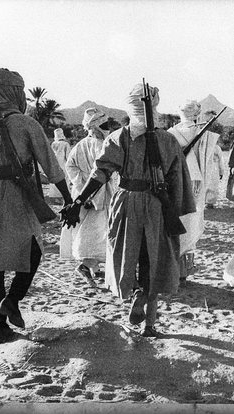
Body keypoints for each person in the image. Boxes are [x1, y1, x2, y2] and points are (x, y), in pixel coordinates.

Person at [61, 84, 195, 337]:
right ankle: (149, 322)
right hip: (156, 204)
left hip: (124, 202)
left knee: (126, 253)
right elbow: (177, 179)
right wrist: (172, 209)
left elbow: (99, 173)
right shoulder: (168, 140)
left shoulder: (117, 137)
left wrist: (78, 202)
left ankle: (134, 291)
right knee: (152, 257)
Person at [0, 68, 72, 344]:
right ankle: (12, 300)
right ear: (16, 93)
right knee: (33, 251)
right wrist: (68, 199)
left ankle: (0, 327)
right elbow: (51, 166)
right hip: (18, 194)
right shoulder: (27, 124)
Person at [60, 108, 116, 287]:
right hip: (98, 193)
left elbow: (71, 168)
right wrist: (87, 189)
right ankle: (86, 265)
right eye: (104, 124)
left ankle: (94, 268)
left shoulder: (80, 145)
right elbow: (98, 173)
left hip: (86, 193)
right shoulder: (102, 145)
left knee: (92, 231)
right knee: (98, 231)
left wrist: (81, 187)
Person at [168, 101, 219, 286]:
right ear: (197, 114)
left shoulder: (170, 133)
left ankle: (175, 270)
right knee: (189, 223)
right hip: (194, 184)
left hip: (173, 184)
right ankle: (183, 271)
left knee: (175, 224)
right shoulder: (202, 133)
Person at [48, 128, 71, 203]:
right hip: (63, 164)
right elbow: (68, 156)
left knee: (56, 180)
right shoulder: (65, 144)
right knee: (64, 181)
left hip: (55, 164)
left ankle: (56, 198)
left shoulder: (53, 144)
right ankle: (63, 198)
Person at [205, 144, 224, 208]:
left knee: (208, 184)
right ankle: (210, 202)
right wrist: (222, 171)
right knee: (213, 185)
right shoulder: (217, 147)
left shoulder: (205, 146)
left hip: (207, 168)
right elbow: (221, 160)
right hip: (214, 169)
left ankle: (208, 201)